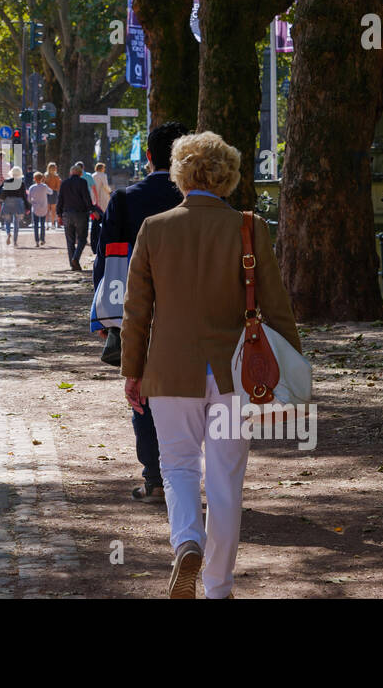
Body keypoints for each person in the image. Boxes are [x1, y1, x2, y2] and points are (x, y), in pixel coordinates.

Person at [121, 131, 300, 599]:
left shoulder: (154, 228)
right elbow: (276, 309)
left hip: (168, 371)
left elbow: (136, 311)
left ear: (180, 174)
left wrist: (132, 371)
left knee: (177, 466)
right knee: (225, 481)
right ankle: (219, 588)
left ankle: (186, 542)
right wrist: (291, 371)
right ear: (227, 175)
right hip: (233, 375)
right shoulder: (248, 226)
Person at [93, 121, 189, 504]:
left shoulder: (125, 199)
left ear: (148, 156)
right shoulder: (198, 197)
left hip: (140, 311)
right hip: (193, 310)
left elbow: (108, 260)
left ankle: (155, 475)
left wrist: (105, 316)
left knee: (141, 390)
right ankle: (189, 470)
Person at [56, 163, 93, 270]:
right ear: (80, 173)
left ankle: (72, 264)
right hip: (81, 214)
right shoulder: (83, 182)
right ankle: (75, 258)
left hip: (67, 214)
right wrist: (92, 209)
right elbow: (87, 198)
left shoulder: (64, 183)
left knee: (70, 240)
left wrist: (59, 214)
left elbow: (60, 200)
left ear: (70, 173)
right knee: (82, 238)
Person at [0, 166, 27, 246]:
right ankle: (15, 241)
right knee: (16, 223)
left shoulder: (7, 181)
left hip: (7, 202)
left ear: (12, 173)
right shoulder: (22, 183)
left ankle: (8, 233)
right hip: (18, 203)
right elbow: (24, 196)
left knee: (7, 222)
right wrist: (27, 206)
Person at [26, 171, 52, 247]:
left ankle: (37, 241)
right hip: (44, 207)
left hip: (35, 208)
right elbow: (51, 192)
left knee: (36, 225)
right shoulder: (44, 186)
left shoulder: (32, 187)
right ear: (42, 178)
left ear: (34, 179)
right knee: (43, 224)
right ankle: (42, 239)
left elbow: (29, 199)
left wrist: (33, 203)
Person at [44, 162, 62, 230]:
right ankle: (53, 224)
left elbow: (43, 185)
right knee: (53, 210)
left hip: (46, 193)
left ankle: (46, 224)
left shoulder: (45, 175)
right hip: (53, 193)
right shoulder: (56, 176)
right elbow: (58, 188)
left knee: (47, 210)